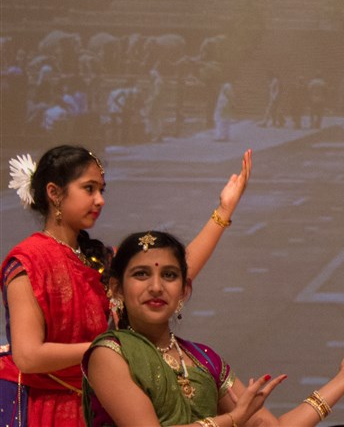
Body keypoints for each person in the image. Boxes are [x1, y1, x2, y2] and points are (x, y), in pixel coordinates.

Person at [0, 146, 251, 426]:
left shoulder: (97, 257)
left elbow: (174, 271)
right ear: (54, 193)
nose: (100, 200)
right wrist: (112, 352)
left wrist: (223, 211)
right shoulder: (28, 260)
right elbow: (28, 356)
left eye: (101, 190)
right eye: (89, 189)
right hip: (45, 408)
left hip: (101, 403)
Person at [82, 230, 344, 426]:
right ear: (116, 288)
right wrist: (232, 419)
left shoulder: (202, 359)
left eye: (169, 275)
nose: (155, 287)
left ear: (184, 290)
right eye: (140, 274)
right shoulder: (110, 354)